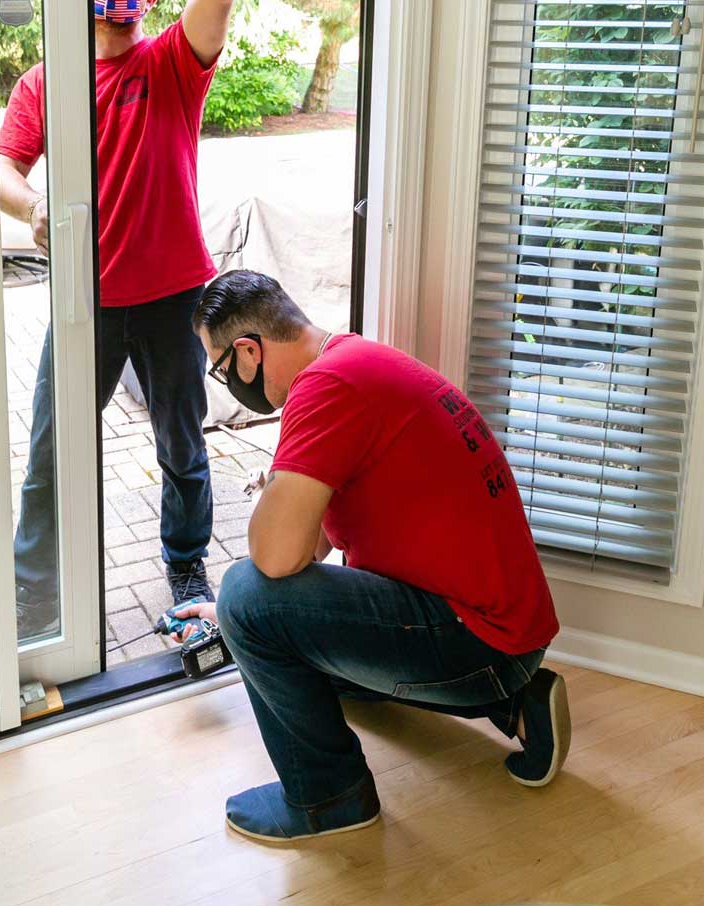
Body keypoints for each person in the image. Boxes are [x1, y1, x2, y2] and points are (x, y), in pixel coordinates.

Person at [180, 270, 568, 843]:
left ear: (248, 351)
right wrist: (228, 622)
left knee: (245, 596)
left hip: (479, 639)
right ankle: (516, 706)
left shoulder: (326, 390)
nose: (224, 382)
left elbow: (273, 562)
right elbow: (313, 549)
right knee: (279, 644)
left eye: (219, 367)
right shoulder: (352, 362)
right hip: (502, 629)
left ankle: (330, 797)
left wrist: (236, 609)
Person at [0, 0, 238, 639]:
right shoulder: (47, 80)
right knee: (49, 454)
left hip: (173, 296)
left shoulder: (173, 62)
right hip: (84, 298)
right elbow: (3, 162)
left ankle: (186, 569)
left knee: (184, 447)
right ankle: (34, 597)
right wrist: (26, 203)